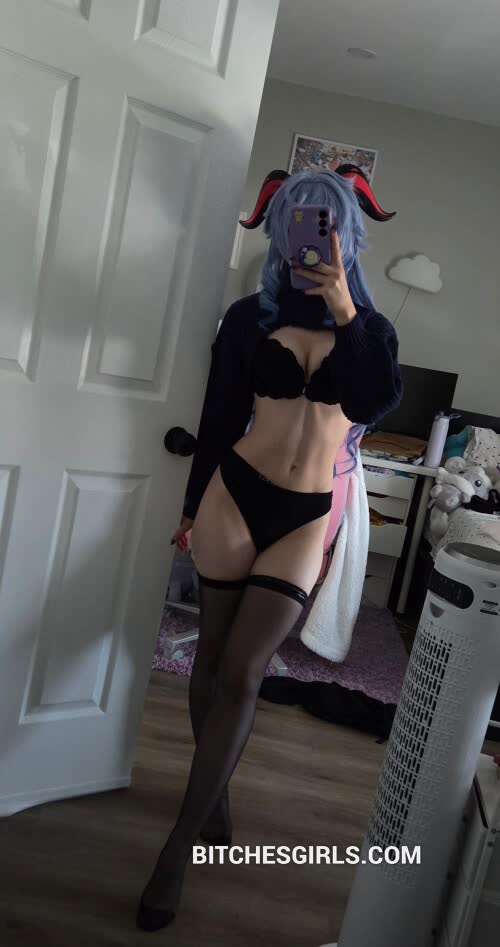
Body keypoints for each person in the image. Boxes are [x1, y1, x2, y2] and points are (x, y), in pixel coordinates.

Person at [137, 165, 403, 930]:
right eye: (297, 222)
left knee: (245, 669)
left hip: (304, 513)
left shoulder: (372, 331)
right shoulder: (248, 318)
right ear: (282, 232)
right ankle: (211, 799)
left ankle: (176, 849)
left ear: (346, 234)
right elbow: (221, 414)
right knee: (212, 660)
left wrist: (345, 308)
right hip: (235, 493)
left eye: (324, 222)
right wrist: (192, 505)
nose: (309, 237)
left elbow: (374, 399)